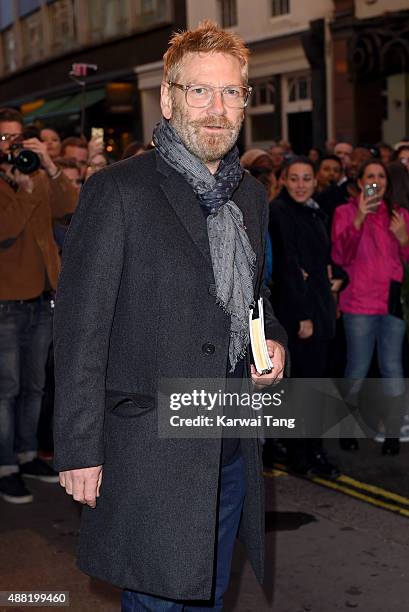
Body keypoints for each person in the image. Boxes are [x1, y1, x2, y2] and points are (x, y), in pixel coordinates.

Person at [53, 21, 287, 611]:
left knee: (209, 596)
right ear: (169, 97)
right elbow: (81, 329)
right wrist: (80, 448)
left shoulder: (250, 197)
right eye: (199, 90)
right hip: (150, 452)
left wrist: (275, 345)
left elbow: (256, 301)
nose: (217, 107)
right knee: (157, 601)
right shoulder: (118, 192)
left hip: (229, 444)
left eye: (232, 92)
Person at [0, 107, 77, 503]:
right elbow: (5, 231)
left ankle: (28, 454)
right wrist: (26, 195)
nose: (10, 145)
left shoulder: (36, 172)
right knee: (6, 389)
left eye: (16, 137)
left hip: (44, 297)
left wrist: (48, 166)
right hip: (6, 303)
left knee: (35, 385)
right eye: (3, 138)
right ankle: (5, 464)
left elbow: (72, 207)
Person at [332, 159, 409, 455]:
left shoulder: (399, 215)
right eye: (370, 176)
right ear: (360, 180)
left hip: (391, 302)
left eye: (381, 176)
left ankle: (392, 432)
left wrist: (404, 240)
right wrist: (358, 220)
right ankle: (347, 427)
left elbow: (404, 261)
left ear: (387, 182)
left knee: (393, 367)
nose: (376, 181)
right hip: (359, 303)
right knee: (357, 368)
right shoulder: (345, 212)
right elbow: (340, 256)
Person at [269, 157, 339, 478]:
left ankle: (313, 450)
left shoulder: (313, 210)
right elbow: (288, 272)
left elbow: (319, 262)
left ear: (315, 182)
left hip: (320, 310)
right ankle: (301, 454)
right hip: (300, 317)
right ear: (283, 180)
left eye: (306, 179)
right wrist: (304, 317)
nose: (300, 184)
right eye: (294, 178)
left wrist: (336, 280)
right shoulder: (280, 213)